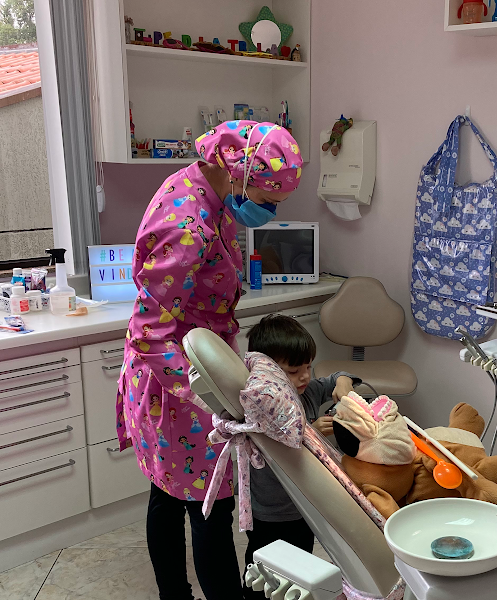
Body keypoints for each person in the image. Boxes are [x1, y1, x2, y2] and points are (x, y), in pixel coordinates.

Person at [116, 121, 303, 600]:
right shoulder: (186, 227)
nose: (270, 211)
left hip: (192, 364)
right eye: (269, 199)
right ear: (240, 171)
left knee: (168, 494)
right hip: (178, 380)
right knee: (210, 507)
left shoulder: (207, 189)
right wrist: (213, 399)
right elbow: (149, 333)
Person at [242, 314, 361, 599]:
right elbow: (281, 449)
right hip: (270, 511)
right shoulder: (263, 404)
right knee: (264, 570)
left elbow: (338, 376)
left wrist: (343, 385)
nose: (305, 376)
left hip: (305, 506)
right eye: (294, 370)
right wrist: (313, 433)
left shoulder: (308, 392)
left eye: (308, 366)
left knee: (299, 568)